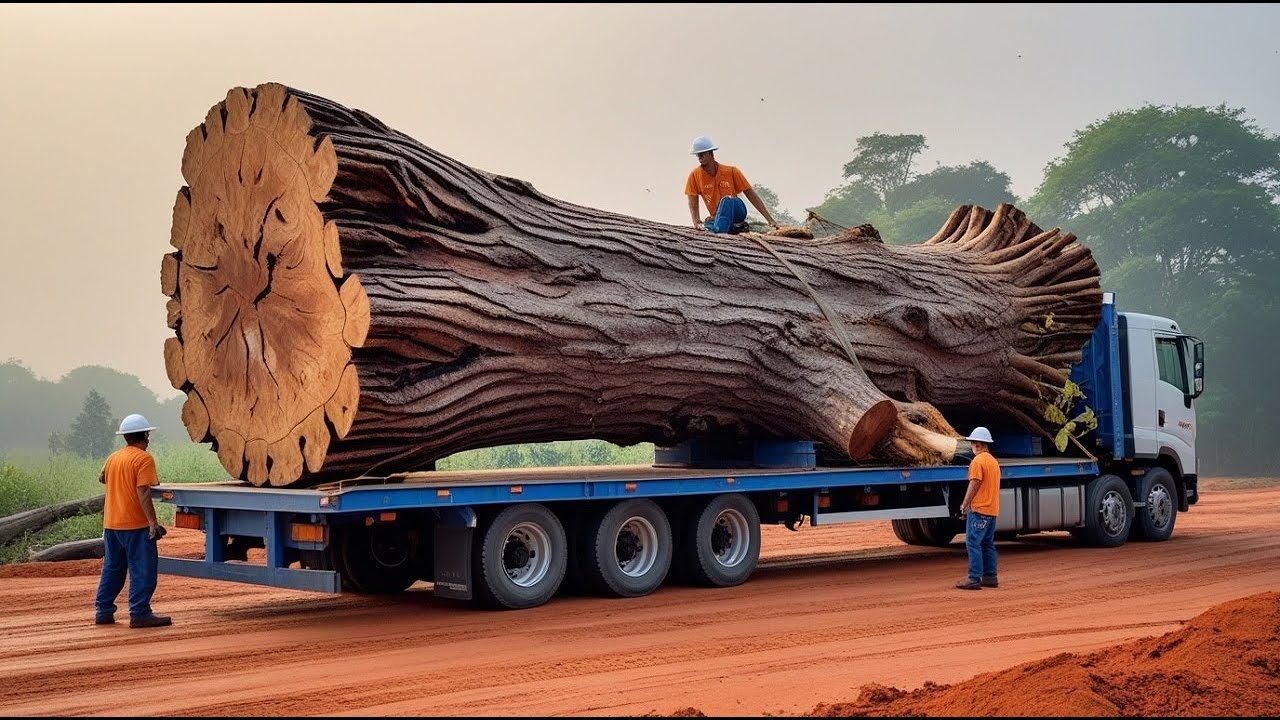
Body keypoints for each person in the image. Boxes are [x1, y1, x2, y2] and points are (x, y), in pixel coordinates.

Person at [94, 413, 172, 628]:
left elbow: (102, 477)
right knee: (142, 569)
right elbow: (143, 490)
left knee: (112, 568)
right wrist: (153, 523)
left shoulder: (113, 457)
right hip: (135, 525)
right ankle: (139, 613)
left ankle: (103, 611)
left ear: (125, 436)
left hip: (112, 524)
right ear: (145, 435)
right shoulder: (143, 459)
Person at [684, 135, 779, 234]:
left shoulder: (732, 171)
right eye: (698, 155)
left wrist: (769, 219)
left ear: (711, 153)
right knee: (708, 225)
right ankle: (719, 227)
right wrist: (697, 222)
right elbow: (693, 203)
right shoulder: (694, 176)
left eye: (702, 154)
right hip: (718, 217)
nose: (700, 157)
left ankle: (719, 231)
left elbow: (751, 195)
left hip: (737, 211)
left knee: (727, 200)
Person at [956, 426, 1001, 590]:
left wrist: (965, 503)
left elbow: (974, 483)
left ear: (977, 444)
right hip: (992, 510)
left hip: (979, 510)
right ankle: (990, 576)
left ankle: (974, 578)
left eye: (972, 443)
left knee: (973, 543)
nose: (971, 447)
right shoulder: (993, 462)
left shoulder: (977, 462)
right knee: (987, 543)